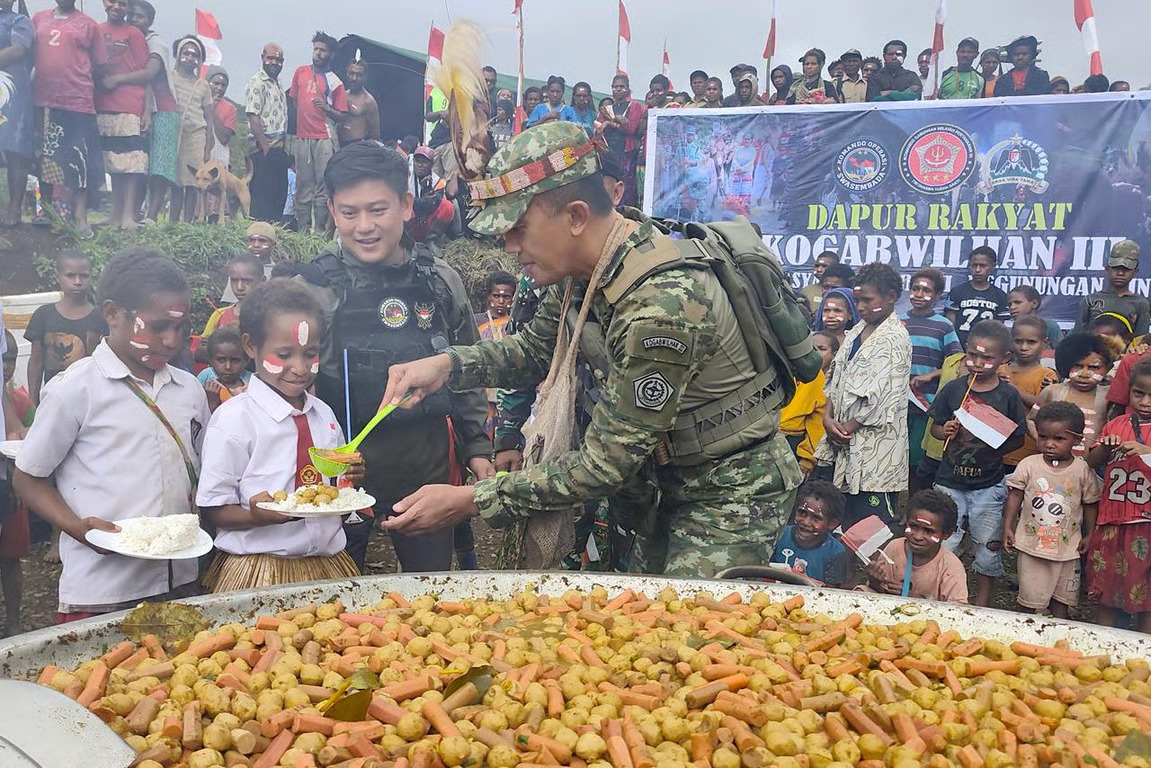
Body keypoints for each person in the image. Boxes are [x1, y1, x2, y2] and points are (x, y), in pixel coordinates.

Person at [378, 122, 802, 577]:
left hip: (727, 495)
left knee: (693, 636)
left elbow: (605, 463)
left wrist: (472, 500)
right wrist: (446, 365)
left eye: (519, 228)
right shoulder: (591, 267)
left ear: (576, 217)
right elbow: (535, 350)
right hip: (658, 486)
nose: (510, 246)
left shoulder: (660, 309)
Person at [298, 142, 491, 573]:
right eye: (349, 212)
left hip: (425, 466)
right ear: (331, 209)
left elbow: (467, 370)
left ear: (405, 205)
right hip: (342, 475)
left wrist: (478, 446)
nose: (364, 226)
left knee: (430, 598)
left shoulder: (440, 281)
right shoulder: (310, 287)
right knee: (335, 608)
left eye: (377, 210)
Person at [14, 249, 210, 623]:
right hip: (101, 589)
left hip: (180, 580)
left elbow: (202, 467)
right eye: (156, 327)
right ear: (112, 313)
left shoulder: (188, 390)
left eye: (180, 329)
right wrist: (77, 529)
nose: (171, 341)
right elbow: (28, 477)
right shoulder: (75, 389)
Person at [198, 280, 361, 592]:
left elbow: (336, 487)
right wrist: (258, 516)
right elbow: (214, 508)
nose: (299, 368)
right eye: (284, 354)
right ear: (250, 346)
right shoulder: (234, 419)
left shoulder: (324, 415)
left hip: (328, 564)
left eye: (310, 353)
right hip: (259, 570)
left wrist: (348, 475)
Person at [928, 320, 1026, 607]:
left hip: (988, 484)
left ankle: (983, 602)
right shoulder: (953, 389)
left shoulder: (1007, 395)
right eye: (973, 355)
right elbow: (934, 427)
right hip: (949, 481)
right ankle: (940, 597)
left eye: (987, 358)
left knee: (987, 545)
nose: (978, 363)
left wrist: (995, 443)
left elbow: (1018, 438)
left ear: (1004, 359)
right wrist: (944, 430)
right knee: (945, 541)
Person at [816, 263, 910, 529]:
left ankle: (875, 569)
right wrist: (827, 417)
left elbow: (883, 398)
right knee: (839, 516)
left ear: (890, 297)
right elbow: (836, 377)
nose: (861, 307)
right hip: (841, 438)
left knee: (871, 526)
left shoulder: (895, 338)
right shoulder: (857, 330)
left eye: (868, 300)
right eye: (857, 301)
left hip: (873, 449)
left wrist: (845, 429)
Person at [1005, 401, 1099, 618]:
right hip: (1032, 548)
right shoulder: (1029, 465)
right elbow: (1015, 495)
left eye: (1059, 439)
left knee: (1062, 603)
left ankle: (1057, 640)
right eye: (1043, 436)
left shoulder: (1082, 470)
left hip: (1068, 550)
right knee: (1028, 601)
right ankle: (1023, 636)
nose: (1049, 444)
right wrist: (1007, 526)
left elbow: (1090, 502)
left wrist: (1090, 533)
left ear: (1076, 439)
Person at [1086, 357, 1151, 632]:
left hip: (1146, 524)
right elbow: (1092, 460)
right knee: (1107, 588)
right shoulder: (1116, 424)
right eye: (1139, 393)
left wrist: (1144, 451)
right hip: (1112, 519)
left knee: (1148, 593)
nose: (1145, 402)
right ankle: (1107, 643)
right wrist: (1105, 446)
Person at [33, 0, 105, 236]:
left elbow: (100, 66)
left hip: (78, 100)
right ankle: (46, 210)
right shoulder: (39, 19)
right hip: (44, 99)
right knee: (46, 156)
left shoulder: (89, 25)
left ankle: (80, 216)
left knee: (78, 160)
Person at [901, 268, 962, 486]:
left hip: (926, 403)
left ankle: (914, 504)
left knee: (918, 461)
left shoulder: (943, 325)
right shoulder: (897, 322)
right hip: (896, 403)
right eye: (915, 288)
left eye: (926, 290)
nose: (919, 294)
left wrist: (931, 375)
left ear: (936, 296)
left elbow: (956, 362)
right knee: (896, 456)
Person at [95, 0, 149, 230]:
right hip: (103, 104)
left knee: (131, 164)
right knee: (114, 163)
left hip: (130, 104)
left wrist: (146, 110)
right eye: (112, 1)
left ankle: (128, 215)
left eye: (123, 3)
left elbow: (146, 74)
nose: (117, 6)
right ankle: (116, 214)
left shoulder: (134, 34)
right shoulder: (96, 30)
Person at [26, 250, 105, 406]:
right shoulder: (44, 315)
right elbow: (36, 361)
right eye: (70, 275)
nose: (77, 281)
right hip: (54, 399)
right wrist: (33, 402)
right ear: (58, 278)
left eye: (83, 276)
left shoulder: (101, 316)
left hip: (92, 400)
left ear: (90, 277)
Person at [864, 489, 968, 604]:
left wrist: (913, 599)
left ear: (946, 534)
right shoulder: (894, 547)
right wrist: (874, 581)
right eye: (913, 526)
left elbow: (958, 611)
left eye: (928, 531)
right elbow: (881, 594)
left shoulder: (950, 567)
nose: (918, 536)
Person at [127, 0, 178, 225]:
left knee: (160, 169)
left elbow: (150, 74)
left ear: (149, 21)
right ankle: (133, 214)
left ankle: (152, 216)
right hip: (138, 109)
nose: (134, 21)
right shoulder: (130, 41)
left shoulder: (155, 43)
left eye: (140, 17)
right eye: (132, 16)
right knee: (139, 167)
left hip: (163, 109)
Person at [289, 32, 341, 234]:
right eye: (316, 49)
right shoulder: (300, 72)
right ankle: (302, 232)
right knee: (303, 184)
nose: (318, 54)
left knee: (322, 186)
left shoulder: (335, 81)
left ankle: (318, 233)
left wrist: (327, 109)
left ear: (331, 55)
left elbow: (342, 115)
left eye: (323, 50)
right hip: (302, 136)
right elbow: (295, 101)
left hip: (324, 137)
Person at [1030, 334, 1112, 458]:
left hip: (1089, 467)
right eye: (1078, 366)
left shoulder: (1108, 397)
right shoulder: (1053, 391)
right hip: (1050, 463)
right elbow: (1030, 419)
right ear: (1066, 364)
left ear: (1107, 368)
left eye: (1094, 367)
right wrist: (1043, 439)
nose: (1084, 374)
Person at [0, 328, 31, 636]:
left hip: (12, 488)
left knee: (10, 558)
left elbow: (25, 438)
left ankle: (14, 620)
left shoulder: (18, 399)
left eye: (9, 359)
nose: (5, 366)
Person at [1001, 315, 1059, 470]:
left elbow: (1044, 408)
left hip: (1029, 452)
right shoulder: (1000, 370)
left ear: (1044, 343)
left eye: (1031, 342)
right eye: (1018, 341)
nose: (1024, 347)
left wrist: (1015, 390)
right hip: (998, 449)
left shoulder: (1047, 375)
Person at [169, 36, 215, 223]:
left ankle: (187, 222)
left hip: (196, 134)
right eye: (186, 53)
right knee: (175, 182)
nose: (190, 57)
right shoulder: (170, 78)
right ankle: (172, 223)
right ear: (178, 55)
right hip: (173, 132)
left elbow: (209, 116)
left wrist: (208, 144)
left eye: (195, 54)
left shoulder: (203, 85)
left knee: (193, 182)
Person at [769, 480, 848, 587]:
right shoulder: (779, 535)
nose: (806, 522)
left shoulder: (835, 552)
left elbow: (831, 593)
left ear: (832, 523)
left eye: (816, 518)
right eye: (802, 513)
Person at [779, 331, 836, 475]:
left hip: (791, 442)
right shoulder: (787, 369)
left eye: (821, 349)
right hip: (766, 435)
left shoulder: (818, 379)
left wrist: (807, 458)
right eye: (810, 348)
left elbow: (816, 423)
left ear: (834, 355)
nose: (814, 354)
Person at [246, 43, 290, 223]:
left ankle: (273, 237)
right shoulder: (257, 82)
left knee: (277, 197)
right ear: (263, 58)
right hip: (262, 149)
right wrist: (265, 148)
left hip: (279, 149)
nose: (275, 63)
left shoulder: (278, 83)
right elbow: (253, 116)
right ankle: (257, 237)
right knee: (261, 199)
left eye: (279, 60)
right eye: (271, 58)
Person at [0, 0, 33, 227]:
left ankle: (14, 210)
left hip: (12, 93)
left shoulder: (20, 21)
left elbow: (19, 49)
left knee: (15, 149)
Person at [1074, 241, 1148, 336]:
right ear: (1107, 270)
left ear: (1135, 273)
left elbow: (1141, 342)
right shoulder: (1090, 300)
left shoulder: (1140, 304)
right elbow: (1077, 337)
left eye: (1126, 269)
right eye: (1116, 268)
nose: (1120, 273)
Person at [946, 245, 1009, 347]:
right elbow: (950, 326)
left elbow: (999, 329)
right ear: (969, 266)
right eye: (974, 265)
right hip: (960, 347)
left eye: (983, 266)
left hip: (987, 349)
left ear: (992, 266)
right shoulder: (957, 292)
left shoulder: (1000, 296)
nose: (978, 270)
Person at [601, 75, 645, 207]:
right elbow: (598, 127)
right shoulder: (607, 109)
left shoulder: (634, 106)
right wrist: (614, 122)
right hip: (609, 154)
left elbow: (631, 128)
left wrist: (610, 124)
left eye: (621, 87)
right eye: (615, 87)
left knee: (626, 190)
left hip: (627, 154)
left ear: (627, 89)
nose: (618, 89)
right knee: (608, 186)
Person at [202, 253, 265, 338]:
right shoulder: (219, 315)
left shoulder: (271, 316)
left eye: (247, 281)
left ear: (262, 281)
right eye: (234, 280)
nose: (239, 287)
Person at [407, 145, 456, 244]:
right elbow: (399, 200)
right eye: (417, 161)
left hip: (425, 223)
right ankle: (405, 241)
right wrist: (421, 201)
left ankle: (430, 241)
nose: (420, 165)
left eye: (424, 162)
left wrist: (426, 189)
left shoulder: (437, 181)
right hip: (408, 222)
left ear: (432, 164)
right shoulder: (406, 176)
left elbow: (433, 205)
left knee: (448, 206)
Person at [197, 326, 250, 412]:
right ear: (210, 360)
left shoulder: (251, 388)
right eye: (221, 360)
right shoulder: (205, 387)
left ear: (247, 360)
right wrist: (212, 403)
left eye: (235, 360)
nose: (228, 367)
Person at [328, 58, 379, 147]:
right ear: (347, 73)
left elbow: (375, 134)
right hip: (338, 144)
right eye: (351, 74)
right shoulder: (341, 96)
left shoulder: (368, 101)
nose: (354, 78)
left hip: (357, 146)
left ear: (365, 76)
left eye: (359, 75)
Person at [1007, 285, 1062, 353]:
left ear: (1034, 303)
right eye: (1010, 304)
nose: (1012, 307)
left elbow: (1061, 353)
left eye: (1018, 302)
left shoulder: (1050, 326)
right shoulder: (1009, 330)